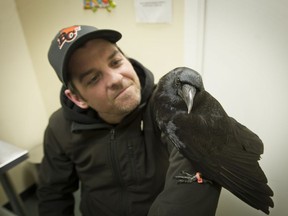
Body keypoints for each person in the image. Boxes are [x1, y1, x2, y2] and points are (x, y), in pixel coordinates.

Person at [37, 25, 221, 216]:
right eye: (93, 78)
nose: (116, 79)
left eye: (116, 62)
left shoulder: (170, 106)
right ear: (77, 98)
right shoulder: (59, 127)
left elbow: (198, 173)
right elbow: (53, 194)